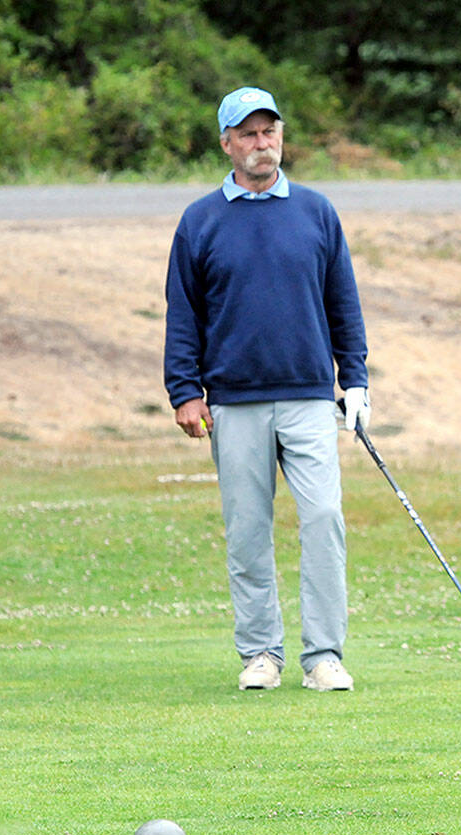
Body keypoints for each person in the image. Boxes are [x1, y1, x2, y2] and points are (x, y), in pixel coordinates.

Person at [164, 86, 370, 692]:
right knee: (248, 531)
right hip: (232, 400)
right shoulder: (201, 220)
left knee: (324, 518)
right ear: (227, 143)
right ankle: (261, 653)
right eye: (249, 134)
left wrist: (353, 378)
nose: (262, 143)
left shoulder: (316, 211)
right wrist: (185, 389)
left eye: (270, 131)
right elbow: (183, 314)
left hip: (309, 395)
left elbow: (344, 304)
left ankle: (324, 656)